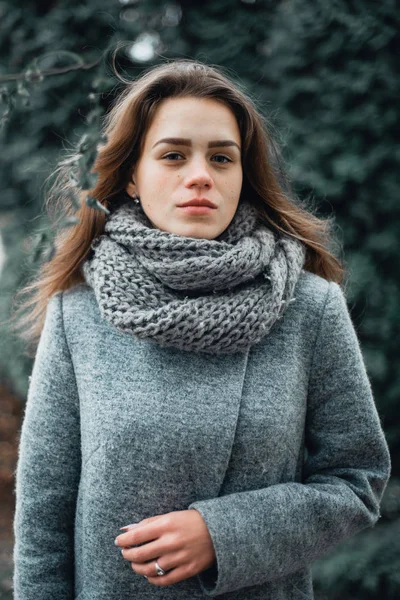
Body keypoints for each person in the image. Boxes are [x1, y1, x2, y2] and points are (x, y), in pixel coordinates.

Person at [12, 59, 391, 600]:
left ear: (244, 175)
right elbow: (43, 516)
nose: (200, 175)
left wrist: (224, 534)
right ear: (131, 178)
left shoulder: (310, 307)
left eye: (221, 157)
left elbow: (357, 480)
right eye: (172, 155)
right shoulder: (78, 312)